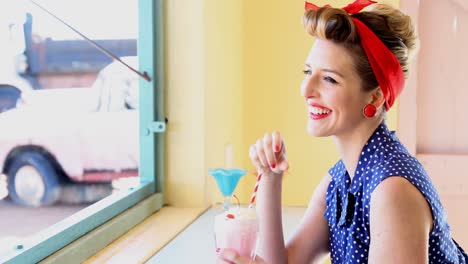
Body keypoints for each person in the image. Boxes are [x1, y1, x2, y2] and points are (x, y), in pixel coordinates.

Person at [217, 0, 468, 263]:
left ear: (375, 97)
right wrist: (270, 178)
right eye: (308, 71)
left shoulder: (392, 192)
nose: (306, 89)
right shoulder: (340, 182)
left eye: (329, 79)